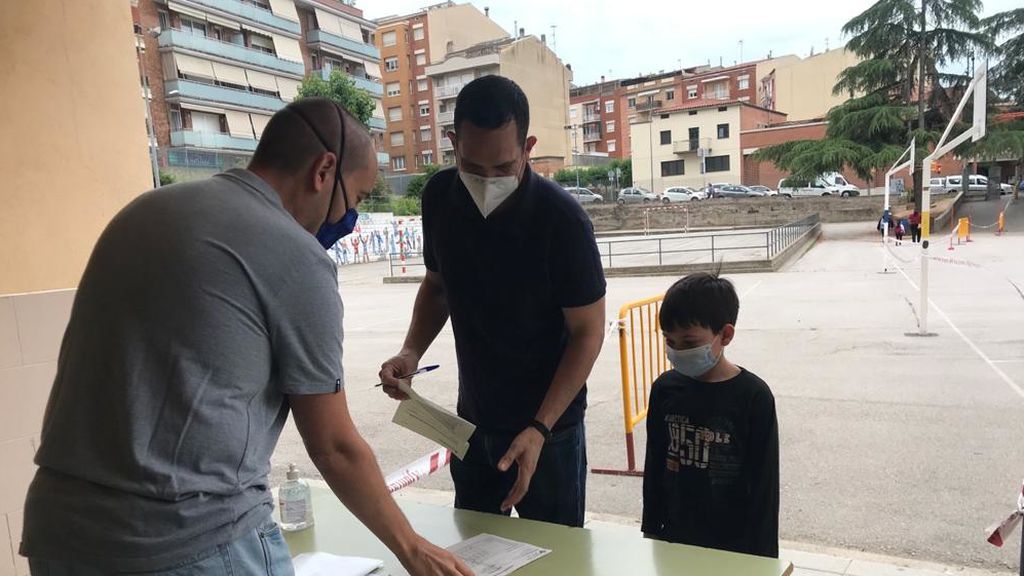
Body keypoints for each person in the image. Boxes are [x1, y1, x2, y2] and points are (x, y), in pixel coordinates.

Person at [20, 98, 471, 576]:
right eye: (356, 198)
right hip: (189, 542)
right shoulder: (295, 256)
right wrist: (412, 549)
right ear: (324, 170)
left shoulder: (144, 212)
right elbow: (334, 446)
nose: (349, 218)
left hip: (60, 533)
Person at [379, 75, 607, 528]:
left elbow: (588, 332)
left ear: (528, 148)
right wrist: (410, 351)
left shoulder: (562, 222)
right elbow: (437, 286)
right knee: (476, 548)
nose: (486, 182)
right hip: (473, 423)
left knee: (555, 557)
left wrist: (539, 429)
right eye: (472, 167)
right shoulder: (441, 197)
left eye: (503, 168)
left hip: (549, 432)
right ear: (452, 144)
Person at [642, 273, 779, 558]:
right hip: (675, 539)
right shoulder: (665, 390)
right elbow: (654, 464)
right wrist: (651, 528)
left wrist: (763, 560)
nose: (678, 352)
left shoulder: (754, 397)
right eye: (670, 341)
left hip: (733, 545)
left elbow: (764, 489)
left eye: (690, 342)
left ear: (725, 335)